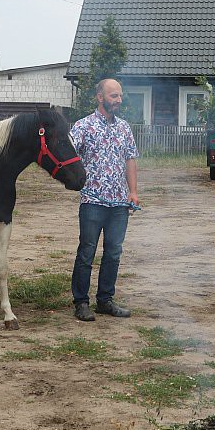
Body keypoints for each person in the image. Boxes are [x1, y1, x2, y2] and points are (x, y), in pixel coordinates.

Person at [69, 78, 140, 321]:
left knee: (113, 253)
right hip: (92, 200)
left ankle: (105, 300)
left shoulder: (124, 128)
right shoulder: (82, 127)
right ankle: (81, 302)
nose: (119, 100)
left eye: (120, 96)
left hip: (119, 202)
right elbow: (68, 156)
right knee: (87, 251)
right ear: (100, 97)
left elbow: (131, 159)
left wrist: (133, 191)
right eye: (113, 96)